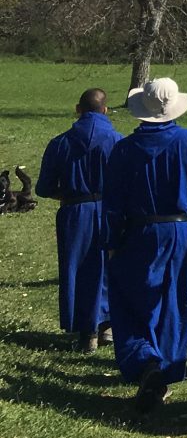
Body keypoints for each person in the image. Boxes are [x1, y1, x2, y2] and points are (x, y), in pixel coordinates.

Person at [102, 78, 187, 414]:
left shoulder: (123, 149)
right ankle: (164, 368)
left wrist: (110, 241)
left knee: (130, 300)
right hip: (179, 230)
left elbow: (112, 203)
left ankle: (146, 360)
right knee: (174, 302)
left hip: (138, 232)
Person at [36, 88, 123, 353]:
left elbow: (43, 187)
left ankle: (86, 331)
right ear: (105, 110)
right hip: (108, 208)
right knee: (107, 266)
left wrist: (65, 192)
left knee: (76, 268)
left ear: (78, 109)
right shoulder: (118, 141)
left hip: (74, 210)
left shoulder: (61, 142)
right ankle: (107, 323)